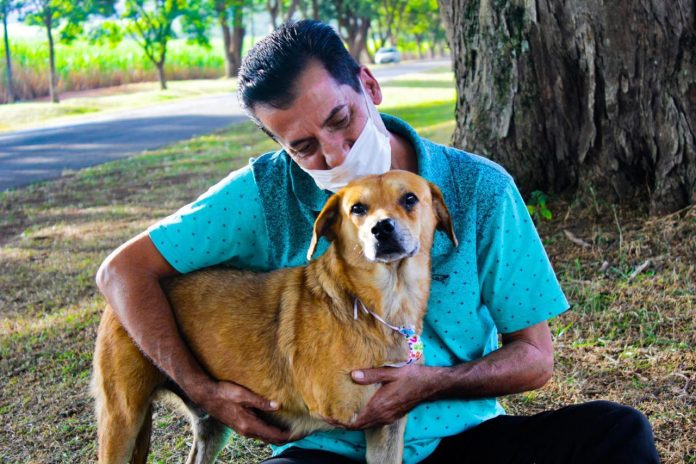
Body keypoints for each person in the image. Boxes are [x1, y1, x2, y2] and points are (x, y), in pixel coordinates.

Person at [96, 19, 659, 464]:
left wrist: (428, 384)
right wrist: (202, 389)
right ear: (279, 146)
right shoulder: (265, 192)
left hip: (461, 438)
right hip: (326, 450)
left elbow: (534, 360)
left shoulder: (480, 189)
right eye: (303, 146)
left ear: (369, 86)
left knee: (618, 432)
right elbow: (121, 272)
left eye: (340, 119)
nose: (334, 153)